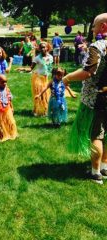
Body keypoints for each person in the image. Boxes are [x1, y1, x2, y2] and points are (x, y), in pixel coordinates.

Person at [62, 13, 107, 184]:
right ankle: (104, 167)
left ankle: (96, 172)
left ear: (103, 26)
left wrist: (67, 78)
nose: (93, 29)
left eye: (94, 26)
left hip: (98, 99)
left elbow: (88, 71)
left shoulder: (98, 47)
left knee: (97, 135)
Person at [26, 42, 53, 116]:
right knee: (39, 94)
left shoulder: (50, 57)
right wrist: (24, 69)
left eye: (44, 47)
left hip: (46, 78)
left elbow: (50, 68)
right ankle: (36, 109)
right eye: (41, 47)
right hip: (38, 78)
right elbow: (31, 68)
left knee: (46, 95)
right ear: (39, 49)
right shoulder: (37, 58)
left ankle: (45, 109)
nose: (43, 49)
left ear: (47, 48)